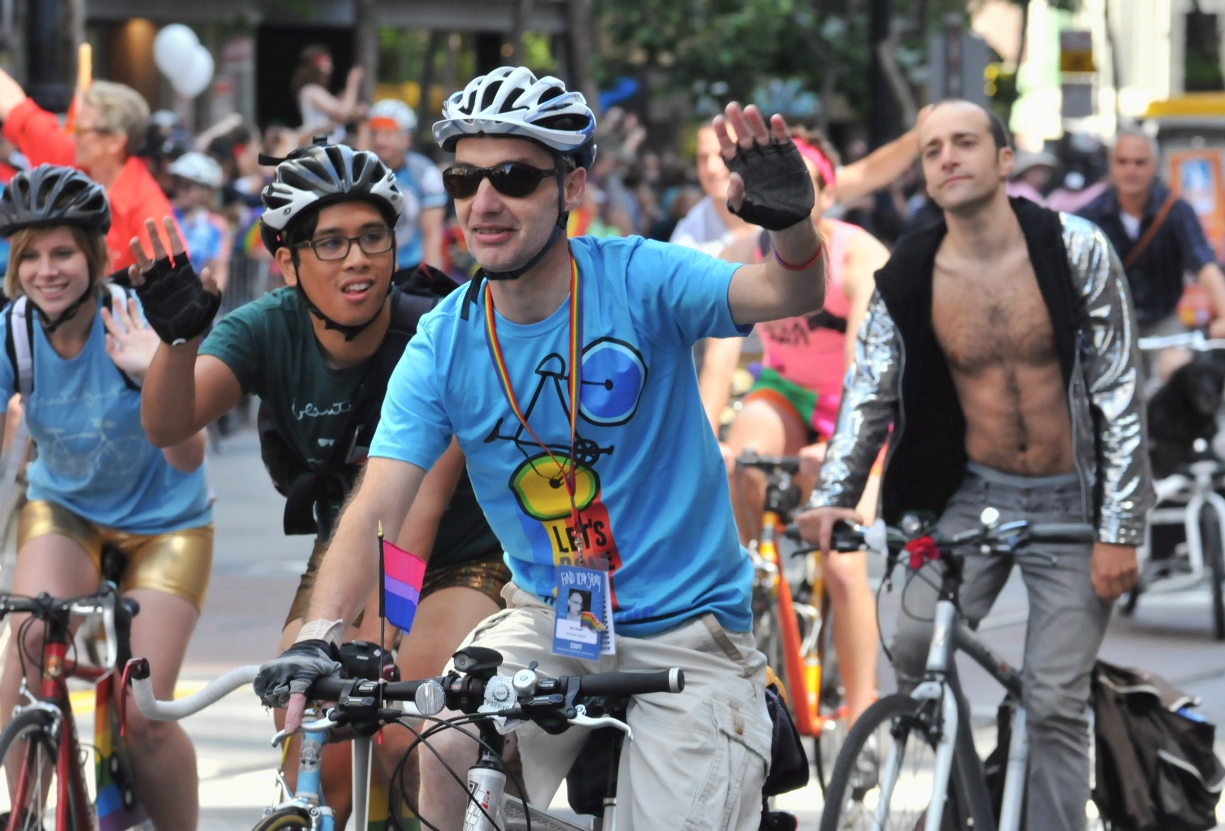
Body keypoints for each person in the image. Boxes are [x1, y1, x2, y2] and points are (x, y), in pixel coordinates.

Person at [252, 65, 827, 830]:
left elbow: (786, 291)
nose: (483, 202)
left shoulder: (640, 277)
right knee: (444, 751)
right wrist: (322, 634)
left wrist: (790, 226)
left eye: (514, 177)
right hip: (553, 620)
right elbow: (378, 503)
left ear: (572, 186)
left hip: (687, 630)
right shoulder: (444, 340)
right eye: (464, 179)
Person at [797, 99, 1153, 831]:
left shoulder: (1073, 249)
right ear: (924, 174)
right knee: (911, 640)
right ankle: (963, 793)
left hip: (1072, 504)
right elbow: (866, 393)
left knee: (1053, 701)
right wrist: (833, 494)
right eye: (933, 150)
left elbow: (1118, 393)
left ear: (1001, 159)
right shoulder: (910, 275)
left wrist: (1120, 527)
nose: (948, 158)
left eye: (965, 143)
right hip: (967, 495)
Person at [137, 141, 507, 826]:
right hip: (346, 546)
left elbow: (417, 511)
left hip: (459, 556)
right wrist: (177, 343)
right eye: (330, 243)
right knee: (309, 729)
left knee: (409, 731)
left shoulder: (439, 327)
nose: (358, 258)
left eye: (371, 236)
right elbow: (168, 424)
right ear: (286, 262)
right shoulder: (264, 328)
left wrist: (376, 645)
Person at [0, 165, 211, 829]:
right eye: (28, 255)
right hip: (67, 513)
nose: (46, 270)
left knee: (144, 713)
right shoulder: (12, 332)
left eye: (62, 252)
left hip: (167, 525)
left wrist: (161, 365)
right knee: (22, 664)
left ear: (94, 256)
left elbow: (188, 453)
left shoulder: (135, 317)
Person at [700, 127, 889, 728]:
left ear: (827, 197)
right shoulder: (739, 251)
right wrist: (707, 450)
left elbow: (867, 373)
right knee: (737, 456)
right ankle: (754, 579)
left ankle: (864, 716)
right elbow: (719, 367)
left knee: (840, 561)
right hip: (787, 393)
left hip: (852, 406)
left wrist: (838, 454)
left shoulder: (863, 258)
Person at [670, 106, 932, 255]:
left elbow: (868, 172)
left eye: (722, 154)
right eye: (703, 158)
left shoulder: (793, 192)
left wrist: (920, 135)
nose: (712, 168)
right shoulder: (689, 236)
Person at [1077, 130, 1225, 377]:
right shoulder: (1089, 215)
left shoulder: (1176, 210)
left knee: (1176, 373)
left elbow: (1204, 264)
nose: (1131, 170)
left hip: (1164, 324)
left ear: (1154, 166)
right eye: (1122, 161)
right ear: (1111, 165)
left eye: (1140, 162)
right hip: (1108, 327)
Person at [0, 76, 180, 273]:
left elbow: (171, 286)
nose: (74, 136)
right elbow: (17, 111)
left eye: (81, 130)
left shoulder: (148, 208)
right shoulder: (73, 163)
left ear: (115, 142)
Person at [364, 98, 446, 272]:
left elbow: (432, 234)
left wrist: (431, 281)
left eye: (387, 134)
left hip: (410, 267)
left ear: (405, 139)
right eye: (374, 134)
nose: (379, 141)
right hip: (369, 264)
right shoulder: (360, 171)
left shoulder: (424, 172)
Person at [168, 152, 231, 295]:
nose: (180, 190)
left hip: (195, 297)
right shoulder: (164, 212)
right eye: (178, 184)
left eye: (188, 186)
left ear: (206, 190)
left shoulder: (216, 225)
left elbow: (219, 270)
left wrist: (210, 302)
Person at [292, 45, 363, 144]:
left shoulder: (314, 90)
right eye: (326, 61)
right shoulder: (311, 90)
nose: (330, 66)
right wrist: (352, 82)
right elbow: (343, 112)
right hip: (318, 144)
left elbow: (342, 115)